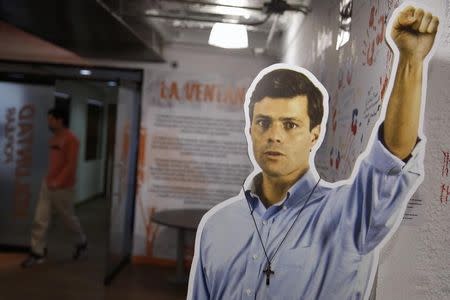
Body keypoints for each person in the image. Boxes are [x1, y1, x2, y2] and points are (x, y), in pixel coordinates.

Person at [188, 5, 439, 299]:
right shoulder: (216, 225)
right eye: (263, 123)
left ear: (314, 134)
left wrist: (410, 59)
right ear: (250, 130)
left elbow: (391, 159)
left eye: (290, 124)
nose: (274, 136)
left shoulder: (345, 215)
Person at [21, 108, 88, 268]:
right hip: (47, 184)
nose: (48, 122)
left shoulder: (71, 139)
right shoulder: (52, 139)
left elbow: (71, 165)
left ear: (60, 120)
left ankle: (81, 241)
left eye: (51, 119)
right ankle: (37, 252)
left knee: (68, 220)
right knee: (40, 219)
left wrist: (58, 182)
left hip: (62, 188)